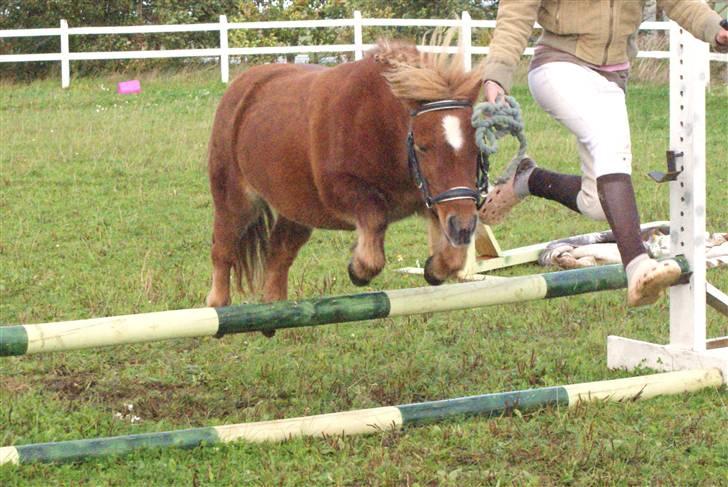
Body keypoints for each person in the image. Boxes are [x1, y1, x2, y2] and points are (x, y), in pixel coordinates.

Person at [480, 1, 728, 307]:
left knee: (597, 202)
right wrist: (497, 72)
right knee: (606, 142)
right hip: (558, 66)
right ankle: (637, 266)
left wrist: (715, 29)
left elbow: (678, 2)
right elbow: (516, 13)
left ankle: (528, 179)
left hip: (612, 78)